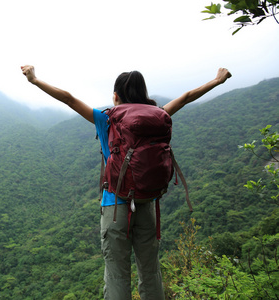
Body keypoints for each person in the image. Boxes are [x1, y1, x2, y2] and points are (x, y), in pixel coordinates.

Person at [21, 65, 232, 300]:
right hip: (147, 203)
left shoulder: (107, 118)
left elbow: (69, 99)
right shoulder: (159, 115)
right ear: (143, 93)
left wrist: (35, 80)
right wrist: (217, 81)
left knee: (117, 274)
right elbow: (185, 98)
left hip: (115, 204)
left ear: (116, 95)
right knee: (150, 270)